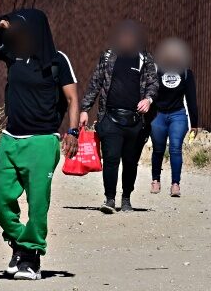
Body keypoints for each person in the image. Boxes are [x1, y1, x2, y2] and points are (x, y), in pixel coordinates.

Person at [0, 9, 79, 281]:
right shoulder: (12, 53)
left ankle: (31, 258)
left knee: (37, 202)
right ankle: (21, 243)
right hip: (11, 138)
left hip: (43, 140)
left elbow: (72, 99)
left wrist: (73, 131)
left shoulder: (57, 60)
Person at [80, 20, 158, 214]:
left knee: (130, 162)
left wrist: (148, 99)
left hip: (135, 121)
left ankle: (126, 199)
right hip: (110, 117)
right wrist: (84, 109)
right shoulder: (107, 57)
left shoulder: (145, 59)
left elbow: (153, 84)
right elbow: (95, 83)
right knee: (111, 158)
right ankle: (109, 198)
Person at [150, 38, 198, 197]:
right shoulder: (156, 71)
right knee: (158, 149)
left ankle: (175, 184)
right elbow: (149, 93)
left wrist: (195, 123)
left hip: (177, 114)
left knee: (175, 148)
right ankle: (155, 180)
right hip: (158, 114)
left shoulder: (185, 73)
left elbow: (191, 99)